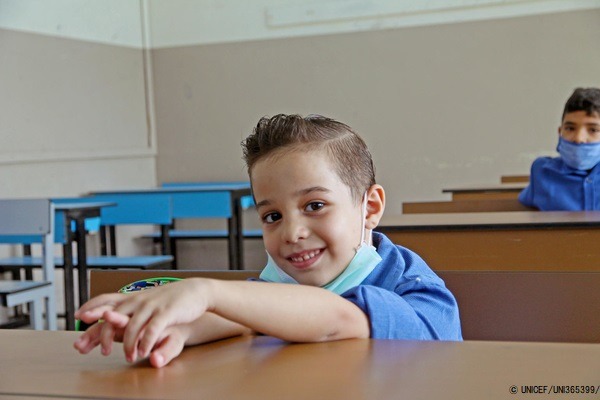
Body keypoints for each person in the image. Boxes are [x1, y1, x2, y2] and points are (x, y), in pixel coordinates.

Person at [74, 114, 462, 368]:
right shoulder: (282, 285)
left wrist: (206, 291)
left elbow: (338, 318)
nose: (292, 233)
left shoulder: (417, 291)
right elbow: (238, 319)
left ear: (370, 207)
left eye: (315, 205)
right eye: (272, 216)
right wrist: (172, 327)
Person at [519, 87, 600, 210]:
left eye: (593, 130)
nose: (579, 138)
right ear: (560, 132)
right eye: (570, 128)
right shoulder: (542, 172)